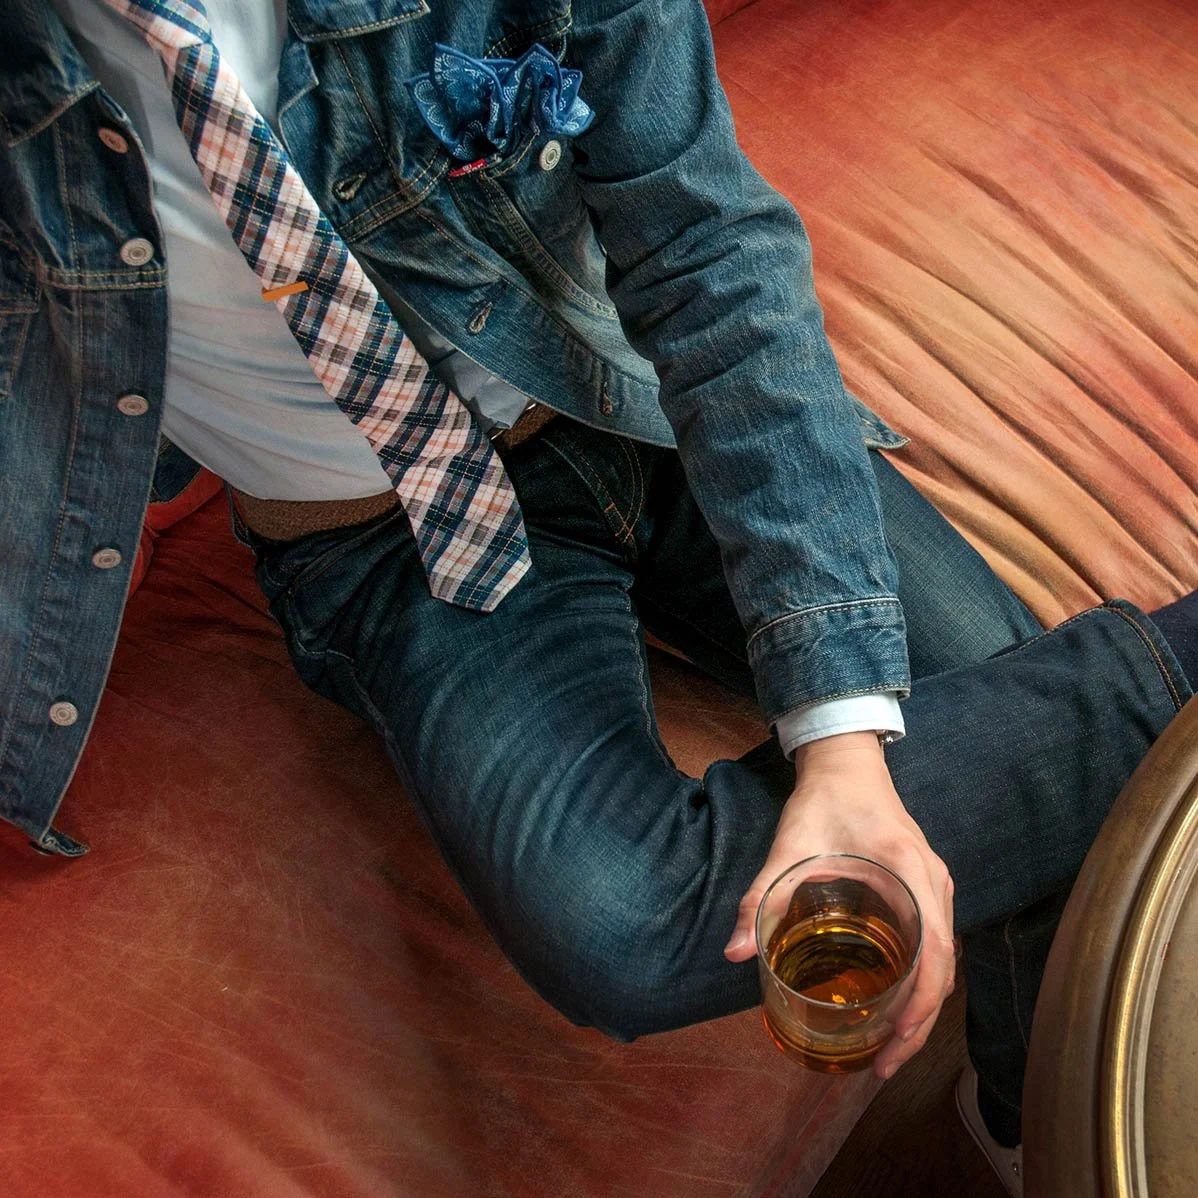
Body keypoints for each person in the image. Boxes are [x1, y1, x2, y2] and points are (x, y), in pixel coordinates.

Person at [0, 2, 1193, 1192]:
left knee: (1009, 717)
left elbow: (707, 254)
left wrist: (843, 739)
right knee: (619, 920)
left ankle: (1028, 1121)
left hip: (626, 387)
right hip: (379, 528)